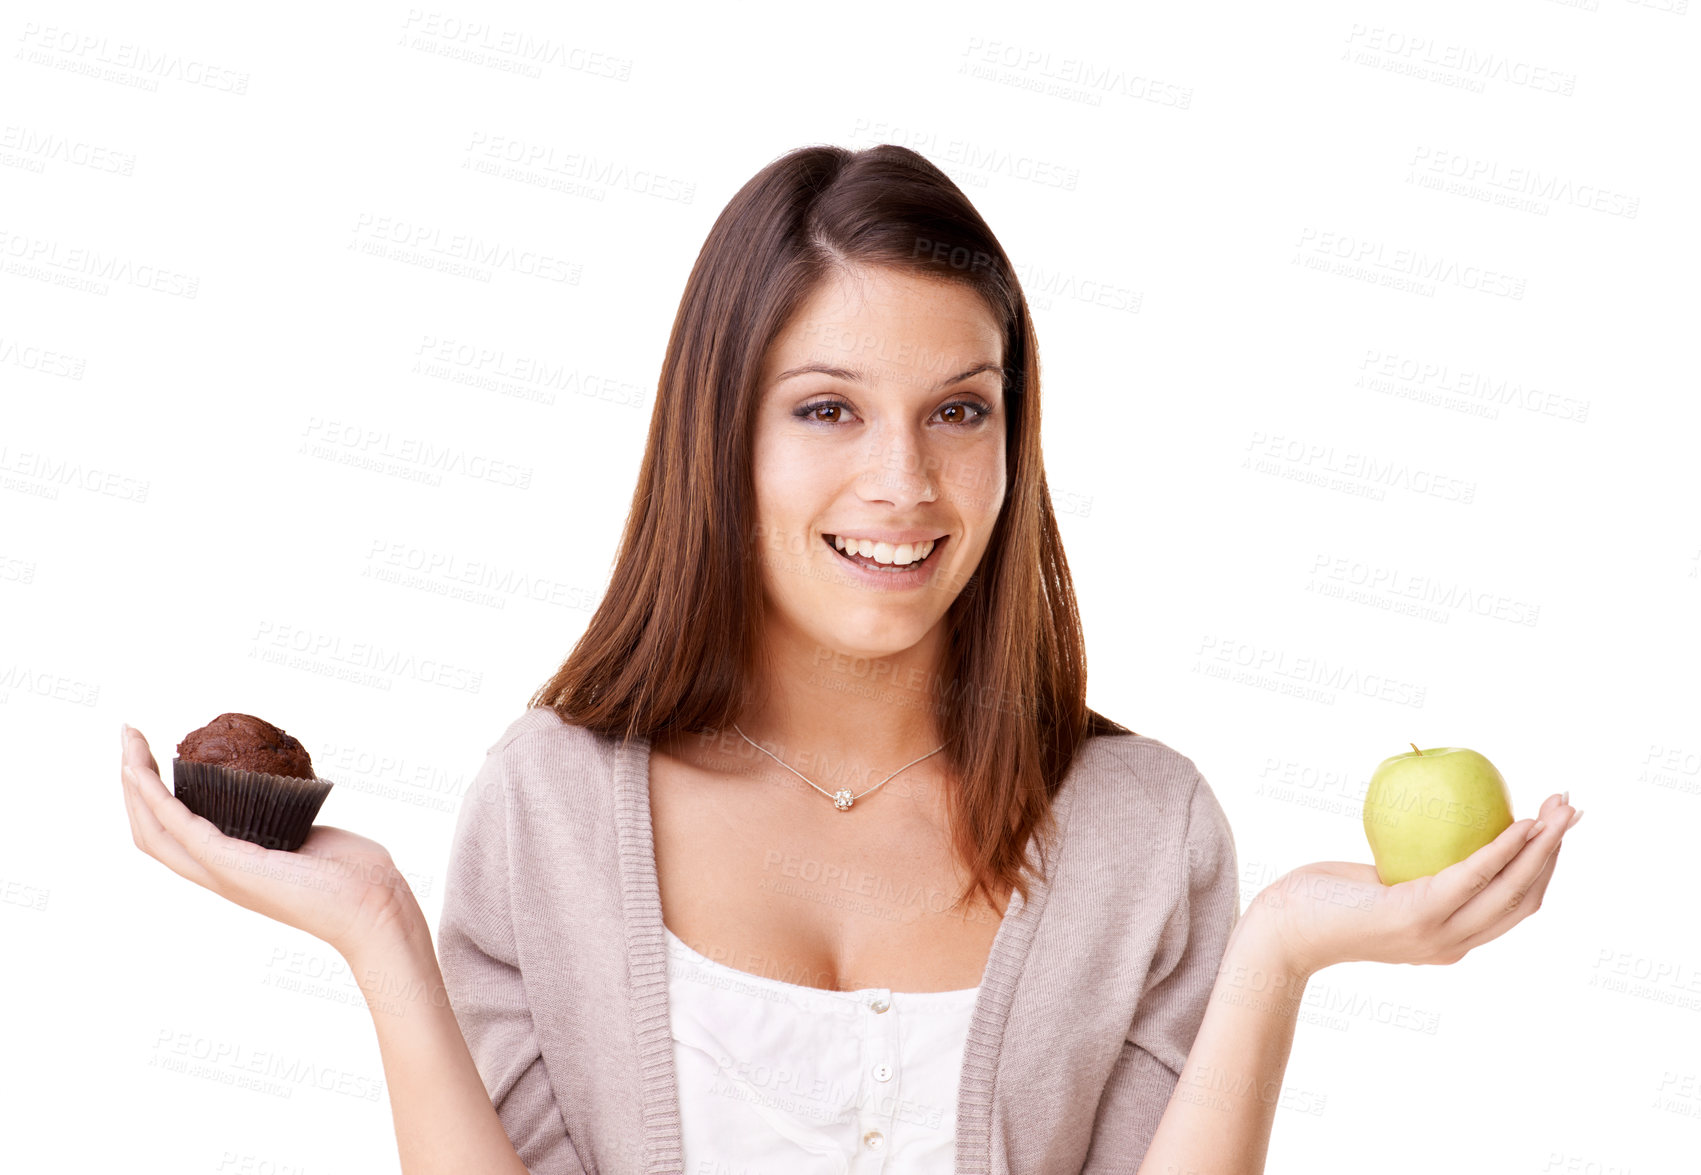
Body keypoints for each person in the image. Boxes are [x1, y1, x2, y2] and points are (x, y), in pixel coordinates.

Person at [119, 144, 1581, 1174]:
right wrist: (376, 929)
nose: (905, 483)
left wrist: (1276, 960)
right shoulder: (552, 804)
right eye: (826, 410)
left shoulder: (1148, 828)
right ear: (724, 435)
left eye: (959, 410)